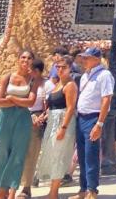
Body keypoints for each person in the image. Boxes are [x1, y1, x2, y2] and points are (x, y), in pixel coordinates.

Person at [0, 50, 37, 199]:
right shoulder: (7, 77)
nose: (26, 60)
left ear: (32, 61)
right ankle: (0, 192)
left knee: (18, 154)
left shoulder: (32, 80)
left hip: (22, 120)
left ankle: (11, 192)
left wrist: (10, 98)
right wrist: (18, 101)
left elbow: (30, 102)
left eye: (29, 58)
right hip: (5, 118)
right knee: (2, 153)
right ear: (18, 59)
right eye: (23, 57)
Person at [74, 47, 114, 199]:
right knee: (82, 155)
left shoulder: (105, 75)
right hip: (81, 117)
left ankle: (92, 190)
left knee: (91, 155)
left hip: (93, 118)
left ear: (96, 59)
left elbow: (106, 99)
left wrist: (99, 124)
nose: (84, 60)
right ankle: (83, 189)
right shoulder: (85, 76)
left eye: (87, 58)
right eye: (83, 58)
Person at [37, 56, 78, 199]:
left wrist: (64, 127)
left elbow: (71, 107)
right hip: (52, 122)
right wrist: (44, 115)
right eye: (58, 67)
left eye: (63, 67)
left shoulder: (70, 85)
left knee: (59, 155)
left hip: (63, 123)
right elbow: (53, 106)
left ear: (70, 68)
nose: (60, 70)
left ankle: (54, 193)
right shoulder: (58, 84)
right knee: (53, 154)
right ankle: (52, 191)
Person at [18, 59, 48, 199]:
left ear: (36, 71)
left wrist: (40, 117)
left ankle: (26, 187)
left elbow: (48, 105)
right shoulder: (26, 83)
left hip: (38, 119)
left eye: (30, 69)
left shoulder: (46, 85)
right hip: (24, 117)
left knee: (32, 154)